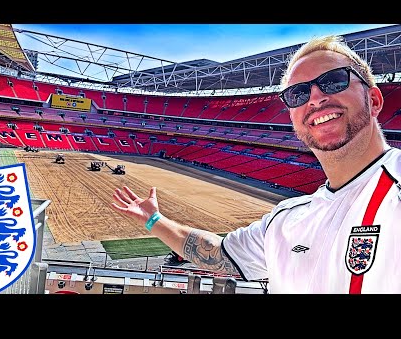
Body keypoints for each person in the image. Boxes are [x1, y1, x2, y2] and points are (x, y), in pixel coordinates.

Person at [110, 35, 401, 294]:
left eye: (333, 80)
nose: (314, 98)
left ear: (374, 100)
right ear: (293, 118)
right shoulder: (285, 220)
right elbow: (220, 255)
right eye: (297, 94)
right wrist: (153, 220)